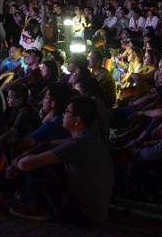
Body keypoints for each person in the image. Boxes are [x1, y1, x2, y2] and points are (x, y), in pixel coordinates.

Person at [8, 95, 114, 223]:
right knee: (49, 160)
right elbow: (52, 143)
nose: (63, 115)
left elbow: (26, 164)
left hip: (82, 214)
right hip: (97, 211)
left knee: (39, 168)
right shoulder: (90, 137)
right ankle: (32, 200)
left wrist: (15, 165)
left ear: (77, 121)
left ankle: (32, 205)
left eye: (67, 112)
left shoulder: (78, 144)